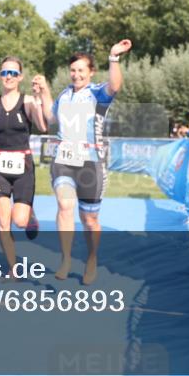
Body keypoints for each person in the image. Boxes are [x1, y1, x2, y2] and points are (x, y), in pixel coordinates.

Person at [43, 39, 132, 285]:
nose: (76, 74)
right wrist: (42, 95)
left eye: (81, 70)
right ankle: (66, 258)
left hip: (91, 163)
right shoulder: (63, 95)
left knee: (90, 220)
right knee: (64, 205)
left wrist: (113, 57)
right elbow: (50, 120)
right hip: (63, 159)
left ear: (90, 72)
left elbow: (115, 85)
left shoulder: (97, 94)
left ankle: (91, 259)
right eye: (73, 70)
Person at [0, 57, 48, 277]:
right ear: (0, 76)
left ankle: (30, 214)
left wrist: (41, 98)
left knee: (19, 221)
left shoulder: (29, 101)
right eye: (5, 73)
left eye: (13, 73)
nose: (9, 77)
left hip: (23, 167)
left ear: (20, 77)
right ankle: (13, 269)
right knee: (3, 220)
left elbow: (42, 126)